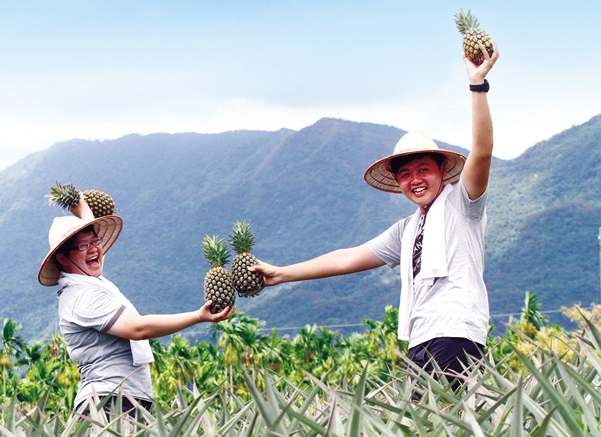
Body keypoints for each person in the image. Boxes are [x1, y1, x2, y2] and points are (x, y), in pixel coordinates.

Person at [251, 42, 500, 389]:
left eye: (423, 169)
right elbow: (346, 258)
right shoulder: (407, 229)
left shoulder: (464, 205)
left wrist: (477, 85)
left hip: (456, 332)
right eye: (405, 174)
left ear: (443, 170)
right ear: (397, 182)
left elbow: (483, 151)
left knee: (436, 427)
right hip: (419, 339)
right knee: (424, 435)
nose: (414, 179)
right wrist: (280, 274)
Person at [38, 195, 234, 416]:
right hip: (108, 401)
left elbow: (90, 250)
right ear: (63, 259)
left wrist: (84, 211)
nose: (93, 249)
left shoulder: (90, 282)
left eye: (95, 241)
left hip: (126, 398)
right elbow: (137, 329)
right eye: (83, 245)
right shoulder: (82, 295)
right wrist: (198, 316)